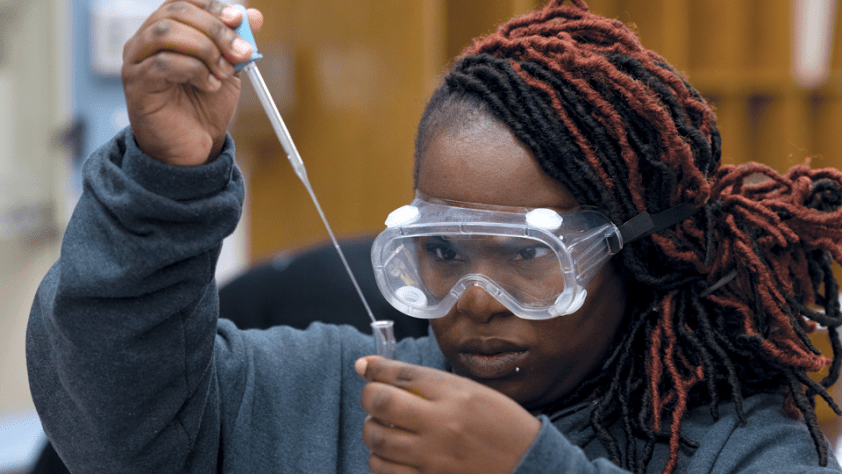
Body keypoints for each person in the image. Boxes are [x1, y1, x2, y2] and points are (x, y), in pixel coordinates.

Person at [26, 0, 842, 473]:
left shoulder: (736, 443)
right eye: (442, 253)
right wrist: (162, 183)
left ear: (630, 250)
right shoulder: (350, 397)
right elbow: (121, 423)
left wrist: (527, 468)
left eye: (527, 257)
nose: (475, 302)